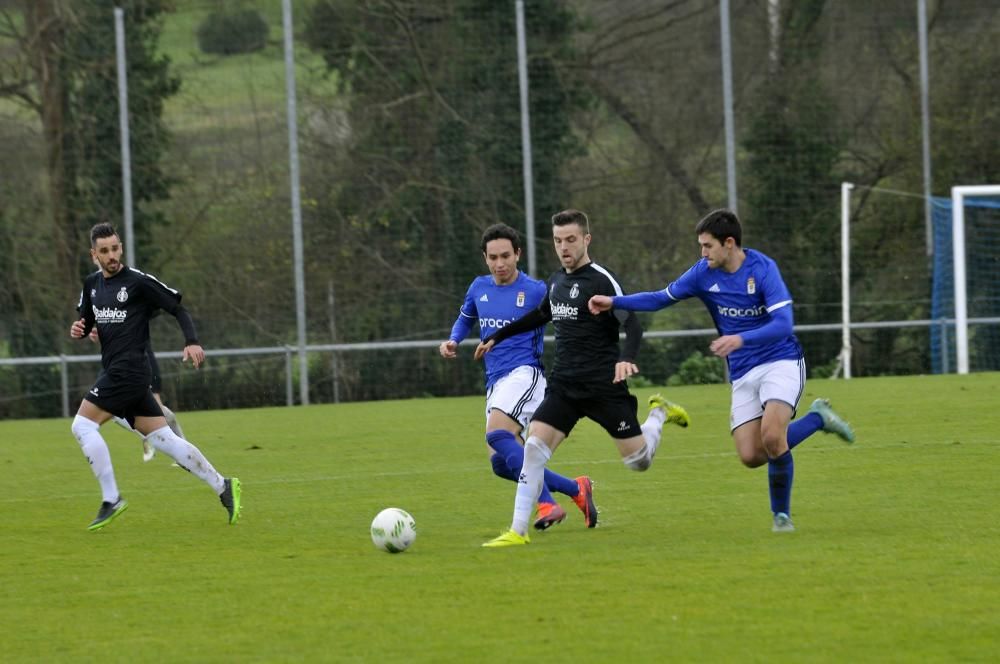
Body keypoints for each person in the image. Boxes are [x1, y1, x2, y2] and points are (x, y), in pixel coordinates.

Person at [588, 208, 855, 533]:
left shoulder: (763, 269)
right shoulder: (703, 273)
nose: (702, 253)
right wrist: (615, 302)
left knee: (772, 435)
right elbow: (661, 298)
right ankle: (818, 418)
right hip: (743, 371)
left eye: (707, 246)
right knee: (752, 455)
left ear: (729, 243)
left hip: (780, 361)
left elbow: (784, 325)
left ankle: (781, 518)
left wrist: (740, 338)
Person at [476, 209, 690, 547]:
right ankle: (518, 531)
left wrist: (626, 359)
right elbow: (540, 315)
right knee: (532, 449)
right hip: (564, 386)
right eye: (558, 240)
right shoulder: (557, 281)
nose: (564, 247)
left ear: (586, 239)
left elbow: (632, 323)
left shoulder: (602, 279)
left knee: (638, 461)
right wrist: (496, 337)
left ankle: (659, 414)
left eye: (571, 240)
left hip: (604, 386)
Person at [70, 222, 241, 531]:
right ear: (93, 254)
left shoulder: (138, 282)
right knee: (164, 440)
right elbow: (86, 322)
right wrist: (80, 330)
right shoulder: (91, 285)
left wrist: (192, 341)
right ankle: (223, 485)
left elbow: (179, 309)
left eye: (115, 248)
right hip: (119, 373)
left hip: (130, 371)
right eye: (105, 251)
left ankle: (112, 499)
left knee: (82, 425)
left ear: (121, 247)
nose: (112, 255)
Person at [439, 223, 594, 531]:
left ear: (518, 254)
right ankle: (576, 488)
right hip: (496, 382)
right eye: (493, 257)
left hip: (526, 375)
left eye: (506, 256)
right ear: (485, 258)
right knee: (500, 462)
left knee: (497, 434)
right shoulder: (478, 288)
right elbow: (465, 319)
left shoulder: (536, 290)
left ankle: (547, 503)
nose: (500, 264)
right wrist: (453, 340)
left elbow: (565, 318)